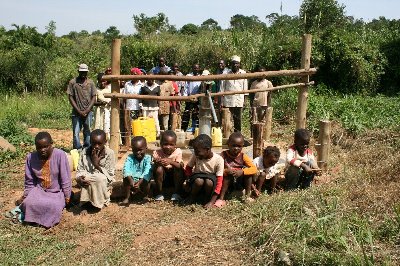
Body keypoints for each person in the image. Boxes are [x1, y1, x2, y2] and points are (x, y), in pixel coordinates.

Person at [17, 132, 71, 228]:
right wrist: (26, 196)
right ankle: (33, 220)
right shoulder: (31, 158)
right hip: (39, 190)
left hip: (56, 192)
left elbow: (65, 179)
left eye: (45, 146)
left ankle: (45, 222)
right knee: (28, 204)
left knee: (53, 206)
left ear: (51, 144)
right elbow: (29, 181)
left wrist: (67, 197)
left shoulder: (60, 155)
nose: (42, 150)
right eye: (39, 147)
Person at [76, 129, 115, 212]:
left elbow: (110, 176)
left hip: (103, 182)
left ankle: (99, 203)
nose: (96, 146)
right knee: (86, 178)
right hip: (88, 179)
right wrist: (79, 178)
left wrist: (96, 165)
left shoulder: (110, 153)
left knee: (99, 178)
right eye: (94, 143)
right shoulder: (84, 152)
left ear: (105, 142)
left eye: (99, 144)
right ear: (90, 141)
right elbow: (80, 170)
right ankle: (86, 204)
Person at [215, 132, 257, 207]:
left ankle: (247, 197)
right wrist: (225, 171)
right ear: (228, 144)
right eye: (233, 146)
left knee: (248, 174)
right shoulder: (223, 155)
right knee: (227, 176)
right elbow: (216, 168)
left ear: (242, 146)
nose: (236, 148)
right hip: (228, 181)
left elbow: (254, 169)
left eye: (239, 146)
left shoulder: (243, 156)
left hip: (239, 180)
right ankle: (221, 198)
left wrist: (242, 172)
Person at [184, 134, 224, 208]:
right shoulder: (196, 155)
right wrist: (188, 181)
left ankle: (207, 199)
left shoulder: (219, 159)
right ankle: (192, 197)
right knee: (199, 181)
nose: (196, 154)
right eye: (195, 151)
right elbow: (188, 168)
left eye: (198, 151)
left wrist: (212, 201)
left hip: (210, 180)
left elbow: (219, 180)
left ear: (208, 149)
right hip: (197, 178)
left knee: (209, 182)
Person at [67, 63, 97, 149]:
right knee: (76, 132)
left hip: (88, 112)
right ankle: (77, 148)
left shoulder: (91, 83)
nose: (83, 74)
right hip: (76, 112)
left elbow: (94, 97)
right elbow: (70, 97)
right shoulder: (73, 82)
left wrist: (87, 110)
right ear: (78, 72)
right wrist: (79, 111)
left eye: (85, 72)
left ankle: (87, 147)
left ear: (87, 72)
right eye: (81, 72)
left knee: (87, 130)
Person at [153, 130, 184, 201]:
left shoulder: (178, 152)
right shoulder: (157, 152)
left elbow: (180, 166)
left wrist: (171, 162)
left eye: (171, 144)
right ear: (160, 144)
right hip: (162, 178)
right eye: (165, 144)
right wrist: (158, 162)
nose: (168, 147)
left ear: (175, 145)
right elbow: (154, 166)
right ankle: (159, 193)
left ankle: (176, 193)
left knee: (178, 169)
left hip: (174, 178)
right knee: (159, 169)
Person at [120, 136, 152, 205]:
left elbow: (147, 171)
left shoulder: (148, 158)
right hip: (132, 179)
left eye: (140, 150)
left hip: (142, 180)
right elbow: (126, 168)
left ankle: (145, 197)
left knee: (147, 181)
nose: (138, 152)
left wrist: (140, 182)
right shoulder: (130, 157)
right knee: (125, 179)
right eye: (135, 150)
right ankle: (128, 197)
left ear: (146, 148)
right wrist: (131, 180)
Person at [220, 55, 248, 132]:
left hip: (239, 100)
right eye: (234, 63)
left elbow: (245, 89)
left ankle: (237, 134)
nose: (235, 65)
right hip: (228, 100)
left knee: (238, 119)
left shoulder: (243, 73)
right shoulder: (225, 73)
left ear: (239, 64)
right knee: (227, 119)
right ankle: (227, 135)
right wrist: (221, 102)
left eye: (237, 63)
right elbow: (222, 88)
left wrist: (245, 101)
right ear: (231, 64)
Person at [181, 64, 202, 132]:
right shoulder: (189, 76)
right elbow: (186, 87)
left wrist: (199, 97)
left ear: (199, 69)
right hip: (189, 98)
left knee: (195, 114)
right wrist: (186, 97)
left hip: (197, 98)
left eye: (197, 68)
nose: (196, 69)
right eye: (194, 68)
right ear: (192, 69)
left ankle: (195, 129)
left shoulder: (201, 78)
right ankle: (184, 129)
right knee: (186, 113)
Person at [94, 72, 111, 139]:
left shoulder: (109, 89)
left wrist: (110, 102)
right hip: (99, 111)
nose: (103, 83)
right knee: (99, 126)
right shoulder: (96, 90)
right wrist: (101, 103)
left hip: (108, 111)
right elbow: (94, 102)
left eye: (104, 81)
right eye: (101, 81)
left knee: (108, 127)